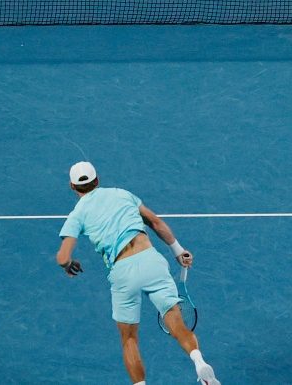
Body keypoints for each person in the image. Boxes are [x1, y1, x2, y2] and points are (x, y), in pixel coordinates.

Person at [56, 161, 219, 385]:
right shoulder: (121, 194)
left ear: (72, 187)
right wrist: (179, 251)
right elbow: (155, 222)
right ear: (98, 180)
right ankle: (199, 363)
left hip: (123, 272)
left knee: (129, 338)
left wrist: (68, 264)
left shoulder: (77, 214)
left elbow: (63, 257)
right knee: (176, 322)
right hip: (152, 261)